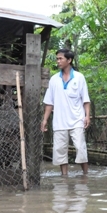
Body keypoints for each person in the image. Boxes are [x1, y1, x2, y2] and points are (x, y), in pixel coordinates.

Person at [41, 48, 90, 176]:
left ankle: (85, 174)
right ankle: (64, 176)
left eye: (60, 58)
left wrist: (87, 116)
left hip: (77, 120)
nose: (58, 61)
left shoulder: (79, 78)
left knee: (81, 148)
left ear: (69, 60)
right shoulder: (54, 80)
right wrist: (45, 120)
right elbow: (49, 103)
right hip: (59, 121)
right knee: (60, 151)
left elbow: (85, 99)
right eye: (57, 58)